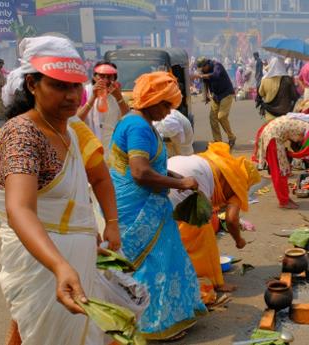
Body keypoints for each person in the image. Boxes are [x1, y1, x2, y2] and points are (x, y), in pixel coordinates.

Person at [0, 36, 121, 345]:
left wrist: (99, 232)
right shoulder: (22, 134)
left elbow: (96, 182)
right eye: (60, 86)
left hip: (77, 260)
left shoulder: (72, 129)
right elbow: (19, 208)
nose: (72, 95)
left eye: (76, 85)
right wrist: (60, 264)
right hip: (42, 266)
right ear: (32, 84)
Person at [109, 71, 205, 340]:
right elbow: (140, 173)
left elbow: (153, 167)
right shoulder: (138, 127)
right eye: (165, 105)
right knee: (154, 265)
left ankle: (164, 317)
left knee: (164, 259)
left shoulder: (137, 120)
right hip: (139, 208)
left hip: (145, 204)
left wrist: (179, 178)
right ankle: (154, 326)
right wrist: (181, 184)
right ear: (151, 99)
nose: (168, 111)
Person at [168, 143, 260, 295]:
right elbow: (231, 220)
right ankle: (210, 283)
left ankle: (175, 271)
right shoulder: (238, 182)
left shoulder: (223, 161)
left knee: (175, 232)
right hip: (186, 182)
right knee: (202, 237)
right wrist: (239, 240)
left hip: (169, 171)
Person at [253, 113, 309, 209]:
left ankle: (285, 198)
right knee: (279, 172)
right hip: (273, 138)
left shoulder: (305, 125)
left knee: (285, 169)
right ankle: (283, 202)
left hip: (273, 135)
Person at [77, 61, 129, 156]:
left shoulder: (118, 94)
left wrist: (119, 98)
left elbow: (128, 120)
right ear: (94, 77)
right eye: (102, 76)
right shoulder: (86, 92)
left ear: (114, 78)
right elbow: (77, 119)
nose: (105, 80)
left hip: (113, 147)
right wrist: (93, 97)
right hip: (90, 145)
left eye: (109, 77)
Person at [195, 57, 237, 149]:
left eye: (203, 68)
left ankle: (231, 137)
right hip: (216, 96)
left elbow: (215, 75)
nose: (202, 70)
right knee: (212, 118)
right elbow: (206, 83)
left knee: (221, 116)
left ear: (206, 65)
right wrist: (206, 96)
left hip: (226, 94)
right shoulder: (204, 72)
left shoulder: (217, 66)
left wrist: (201, 76)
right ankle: (218, 141)